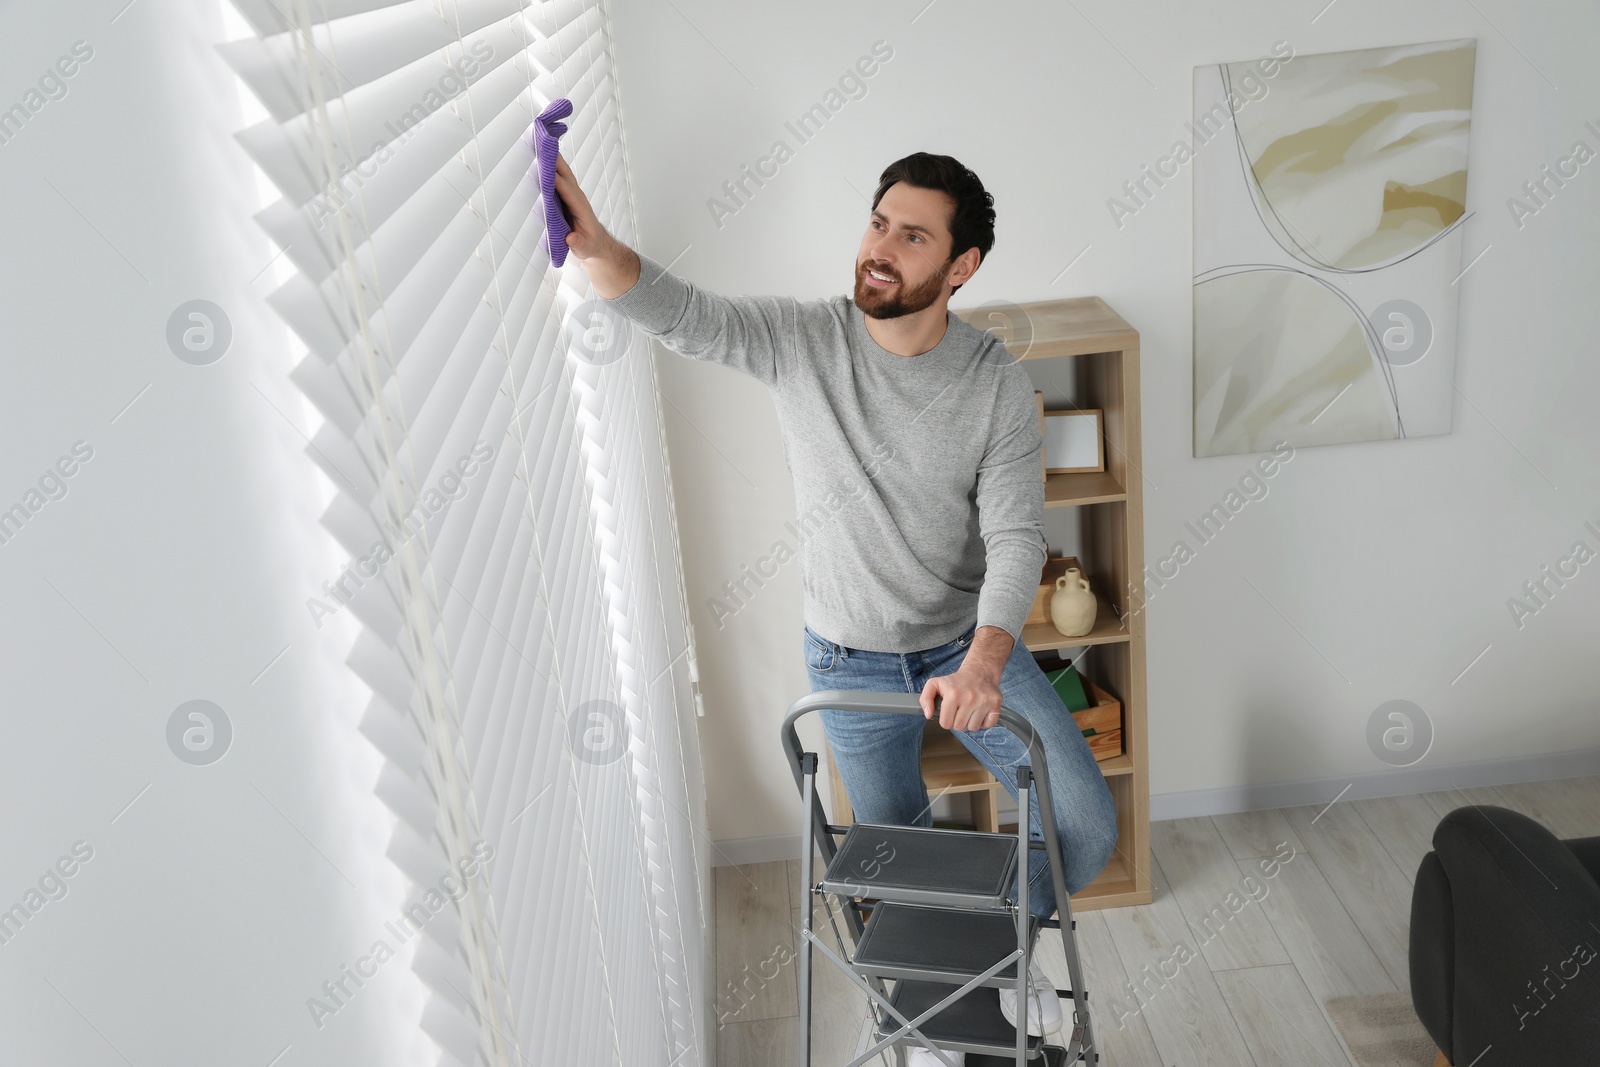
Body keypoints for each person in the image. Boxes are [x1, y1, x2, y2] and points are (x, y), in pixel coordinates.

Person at [554, 149, 1118, 1054]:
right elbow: (683, 315)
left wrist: (983, 659)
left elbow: (1016, 538)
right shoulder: (804, 340)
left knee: (1085, 824)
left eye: (914, 234)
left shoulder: (998, 387)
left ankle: (977, 970)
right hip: (847, 659)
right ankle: (963, 1008)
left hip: (962, 649)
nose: (882, 247)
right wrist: (593, 242)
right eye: (879, 222)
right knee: (896, 864)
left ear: (961, 267)